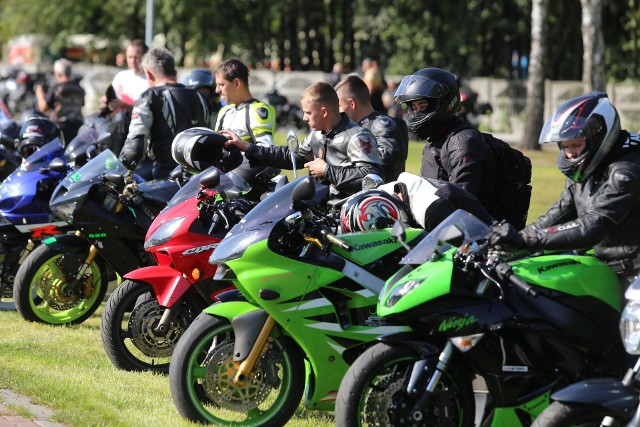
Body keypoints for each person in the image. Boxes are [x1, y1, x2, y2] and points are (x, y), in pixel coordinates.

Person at [490, 92, 640, 288]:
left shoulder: (628, 168)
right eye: (565, 146)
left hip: (634, 276)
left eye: (576, 145)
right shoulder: (589, 167)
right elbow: (557, 215)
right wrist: (510, 243)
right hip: (608, 267)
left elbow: (595, 224)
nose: (570, 153)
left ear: (598, 135)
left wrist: (526, 240)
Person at [223, 81, 384, 199]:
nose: (304, 118)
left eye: (308, 113)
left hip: (346, 218)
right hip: (319, 212)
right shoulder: (317, 135)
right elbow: (291, 156)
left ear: (324, 112)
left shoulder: (357, 136)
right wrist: (248, 147)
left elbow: (371, 176)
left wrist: (327, 170)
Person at [393, 67, 503, 220]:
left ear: (445, 103)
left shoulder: (462, 142)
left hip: (472, 235)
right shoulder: (436, 142)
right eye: (414, 107)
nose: (416, 113)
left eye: (423, 106)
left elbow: (461, 201)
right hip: (439, 228)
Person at [119, 47, 210, 180]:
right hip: (201, 182)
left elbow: (135, 145)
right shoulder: (202, 98)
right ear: (175, 71)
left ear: (149, 74)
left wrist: (119, 171)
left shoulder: (149, 96)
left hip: (167, 180)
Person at [335, 75, 408, 181]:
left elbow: (385, 164)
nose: (337, 112)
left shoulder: (382, 125)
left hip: (382, 195)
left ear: (352, 103)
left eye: (339, 106)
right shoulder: (355, 126)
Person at [35, 58, 85, 142]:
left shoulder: (56, 88)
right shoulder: (79, 89)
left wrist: (40, 95)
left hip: (60, 128)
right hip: (77, 127)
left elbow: (43, 108)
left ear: (58, 73)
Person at [105, 39, 149, 114]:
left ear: (145, 57)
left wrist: (123, 105)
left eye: (136, 57)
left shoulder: (150, 81)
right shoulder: (121, 76)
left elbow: (146, 112)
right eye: (130, 57)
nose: (132, 61)